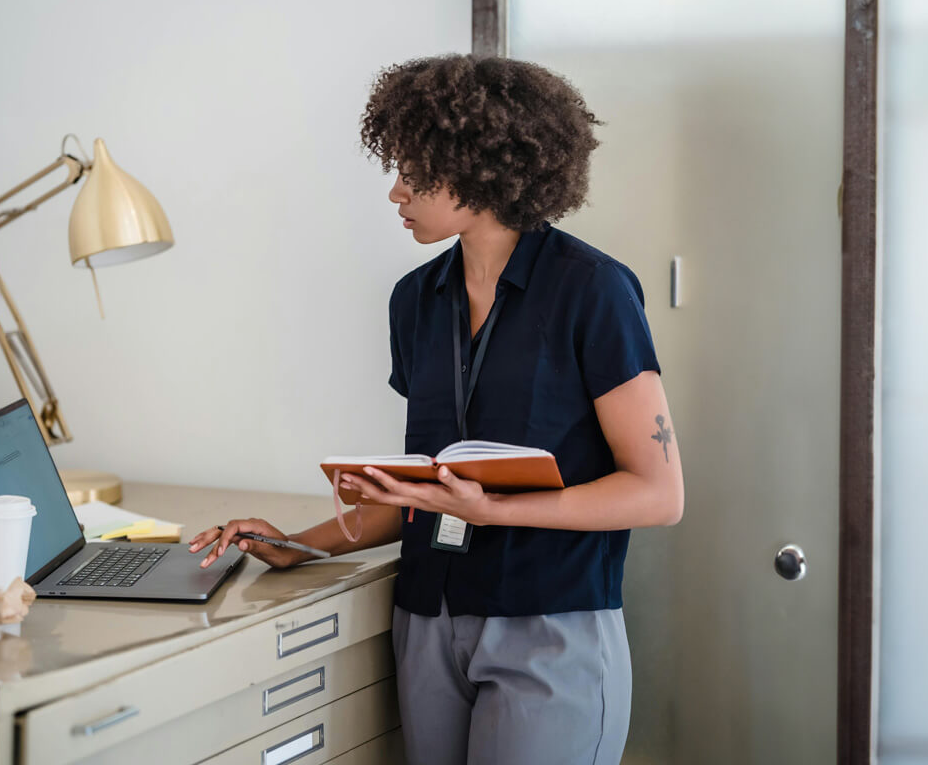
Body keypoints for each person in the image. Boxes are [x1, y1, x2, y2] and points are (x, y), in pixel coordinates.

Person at [191, 54, 684, 765]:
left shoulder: (594, 291)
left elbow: (658, 493)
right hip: (427, 621)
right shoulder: (415, 300)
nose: (396, 191)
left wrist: (498, 512)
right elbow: (428, 491)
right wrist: (297, 547)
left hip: (549, 624)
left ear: (482, 167)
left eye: (414, 170)